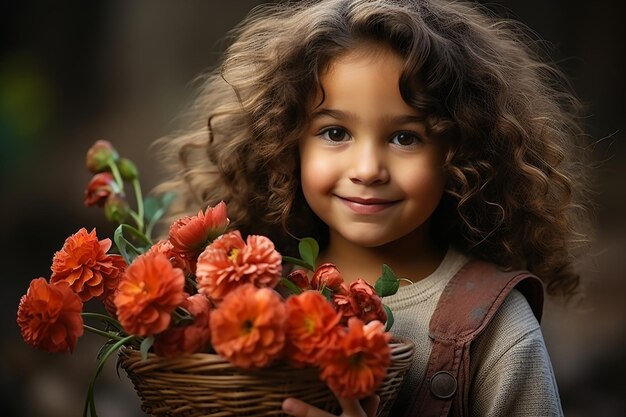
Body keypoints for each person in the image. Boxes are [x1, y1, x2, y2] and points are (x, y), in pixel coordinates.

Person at [152, 0, 593, 416]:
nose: (367, 170)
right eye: (335, 132)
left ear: (461, 153)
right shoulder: (245, 297)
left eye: (405, 138)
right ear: (287, 144)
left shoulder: (496, 330)